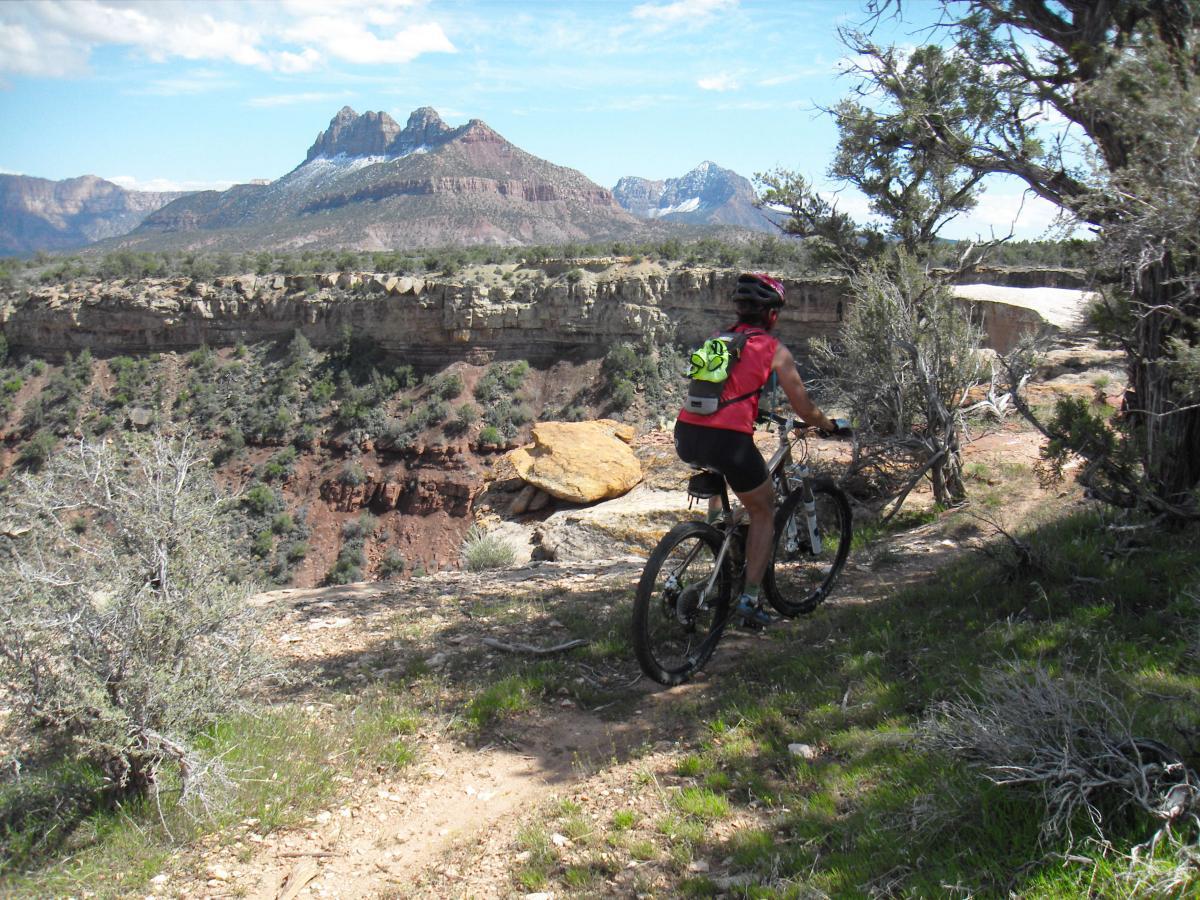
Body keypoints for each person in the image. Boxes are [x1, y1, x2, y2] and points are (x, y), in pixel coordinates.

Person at [674, 272, 839, 627]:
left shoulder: (719, 339)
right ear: (772, 314)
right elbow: (805, 410)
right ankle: (749, 600)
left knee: (723, 476)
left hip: (686, 433)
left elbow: (718, 388)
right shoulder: (773, 350)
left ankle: (717, 534)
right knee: (763, 510)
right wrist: (828, 424)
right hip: (727, 441)